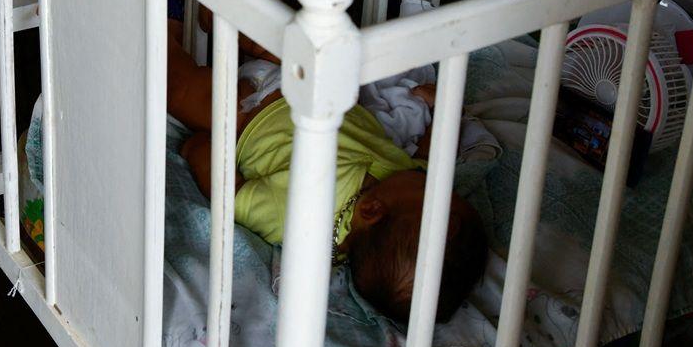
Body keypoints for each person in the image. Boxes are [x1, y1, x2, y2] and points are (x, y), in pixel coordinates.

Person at [166, 39, 488, 324]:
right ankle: (222, 18)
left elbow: (233, 197)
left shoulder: (301, 216)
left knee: (179, 90)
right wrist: (447, 111)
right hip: (309, 78)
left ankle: (170, 21)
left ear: (373, 210)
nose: (431, 178)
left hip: (249, 110)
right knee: (297, 34)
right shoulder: (402, 180)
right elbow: (433, 156)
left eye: (432, 187)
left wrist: (201, 148)